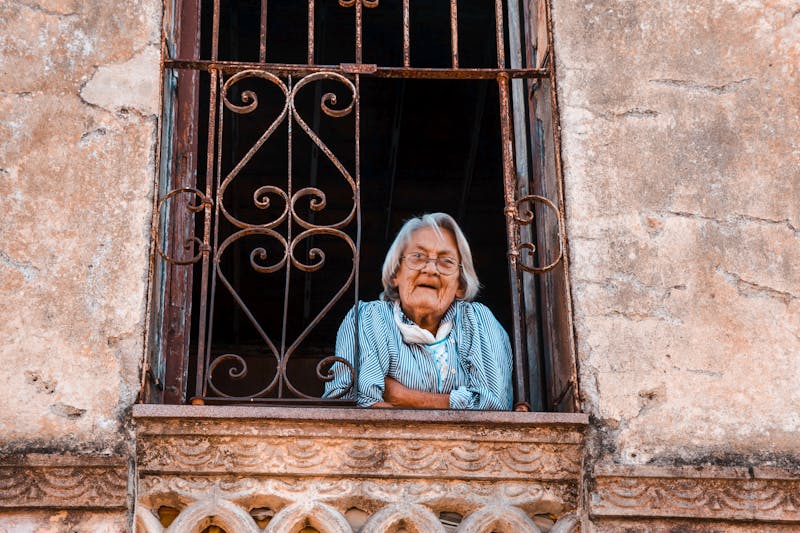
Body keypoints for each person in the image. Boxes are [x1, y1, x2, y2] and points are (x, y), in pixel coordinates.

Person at [324, 213, 513, 409]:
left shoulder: (477, 321)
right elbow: (353, 405)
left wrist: (401, 396)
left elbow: (494, 407)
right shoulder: (370, 317)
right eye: (418, 256)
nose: (431, 269)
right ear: (396, 272)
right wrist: (456, 405)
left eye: (446, 261)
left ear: (460, 285)